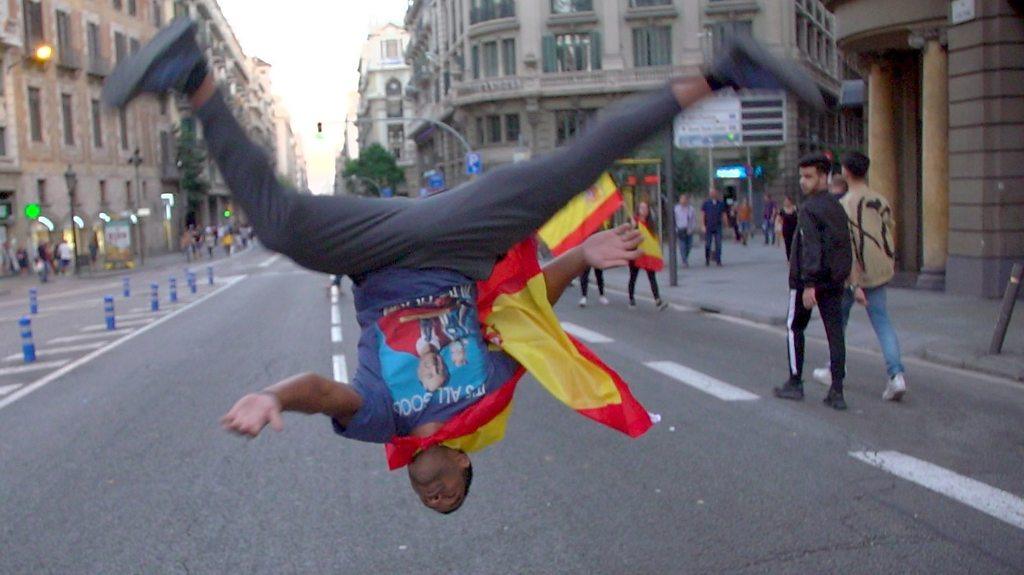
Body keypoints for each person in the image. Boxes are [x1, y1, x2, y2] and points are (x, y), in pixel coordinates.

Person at [103, 17, 823, 513]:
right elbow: (527, 311)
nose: (436, 493)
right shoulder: (488, 396)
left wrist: (273, 396)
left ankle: (193, 75)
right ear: (467, 464)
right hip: (455, 241)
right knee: (575, 163)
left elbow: (324, 389)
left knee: (281, 224)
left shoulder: (380, 420)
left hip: (377, 252)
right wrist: (578, 252)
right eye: (449, 494)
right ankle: (724, 71)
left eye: (428, 497)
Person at [812, 152, 907, 402]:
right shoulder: (880, 199)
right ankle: (896, 375)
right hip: (878, 271)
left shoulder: (843, 205)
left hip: (851, 274)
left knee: (838, 323)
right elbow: (889, 232)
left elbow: (847, 246)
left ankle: (835, 370)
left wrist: (854, 284)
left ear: (846, 171)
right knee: (882, 322)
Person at [773, 154, 852, 411]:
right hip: (834, 281)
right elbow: (843, 245)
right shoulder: (836, 207)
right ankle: (836, 390)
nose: (803, 182)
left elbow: (811, 248)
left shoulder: (809, 208)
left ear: (823, 176)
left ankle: (795, 382)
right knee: (835, 333)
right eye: (801, 176)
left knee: (794, 327)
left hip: (808, 281)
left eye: (808, 176)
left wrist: (808, 284)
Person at [627, 201, 668, 310]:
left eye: (645, 208)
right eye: (642, 208)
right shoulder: (634, 221)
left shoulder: (650, 223)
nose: (644, 210)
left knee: (652, 276)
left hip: (647, 254)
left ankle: (657, 300)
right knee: (633, 277)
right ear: (638, 209)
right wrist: (633, 226)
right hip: (636, 253)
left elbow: (652, 238)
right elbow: (629, 236)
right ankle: (631, 298)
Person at [700, 188, 726, 266]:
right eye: (712, 193)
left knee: (718, 243)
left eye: (714, 193)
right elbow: (703, 214)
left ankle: (718, 260)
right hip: (708, 226)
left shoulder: (720, 203)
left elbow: (723, 214)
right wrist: (702, 225)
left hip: (718, 226)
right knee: (708, 243)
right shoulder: (706, 203)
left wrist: (726, 223)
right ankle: (707, 259)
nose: (713, 194)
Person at [674, 194, 696, 267]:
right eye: (682, 199)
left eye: (685, 199)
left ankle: (685, 257)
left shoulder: (691, 209)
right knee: (682, 245)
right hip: (680, 228)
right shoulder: (676, 209)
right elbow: (674, 219)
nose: (683, 201)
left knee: (689, 245)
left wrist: (692, 228)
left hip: (689, 228)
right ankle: (684, 260)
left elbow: (693, 219)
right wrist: (675, 229)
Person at [778, 194, 798, 261]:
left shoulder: (795, 209)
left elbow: (799, 217)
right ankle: (789, 258)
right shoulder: (782, 210)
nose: (786, 202)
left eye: (787, 201)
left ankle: (795, 257)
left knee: (795, 243)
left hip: (795, 229)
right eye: (785, 201)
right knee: (787, 244)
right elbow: (779, 219)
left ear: (790, 201)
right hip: (786, 229)